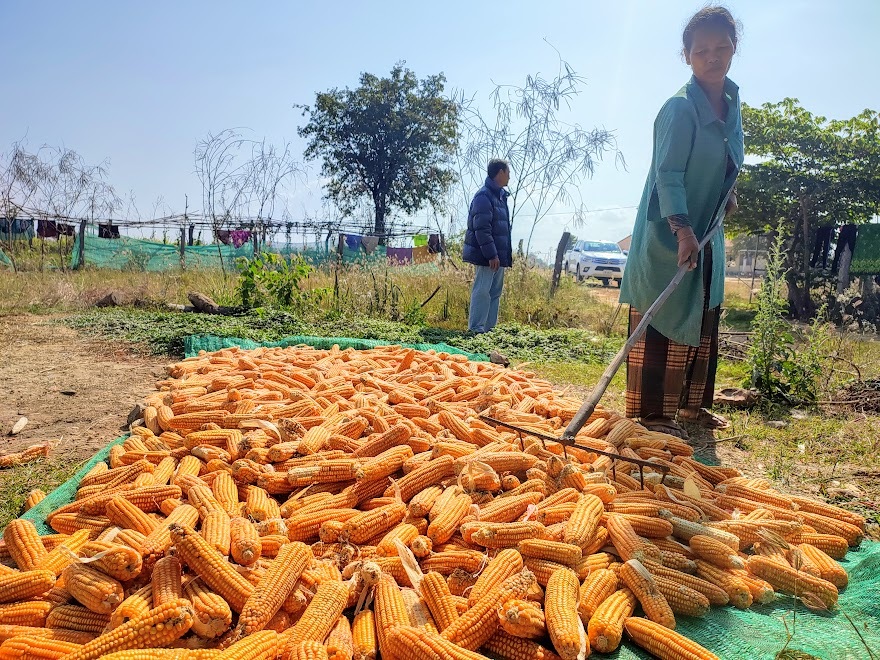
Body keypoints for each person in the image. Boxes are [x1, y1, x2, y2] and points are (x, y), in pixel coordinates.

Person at [619, 6, 744, 439]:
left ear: (734, 49)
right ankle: (654, 412)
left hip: (707, 230)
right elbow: (667, 174)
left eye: (721, 48)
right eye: (702, 50)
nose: (713, 57)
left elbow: (729, 163)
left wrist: (728, 195)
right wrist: (683, 230)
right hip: (670, 230)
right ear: (687, 56)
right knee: (666, 311)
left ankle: (692, 407)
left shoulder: (732, 103)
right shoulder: (678, 108)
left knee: (704, 308)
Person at [463, 159, 513, 333]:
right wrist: (491, 254)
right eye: (508, 172)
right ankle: (476, 328)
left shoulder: (499, 196)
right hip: (487, 256)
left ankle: (489, 330)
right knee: (482, 290)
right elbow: (482, 228)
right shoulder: (483, 196)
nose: (509, 176)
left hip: (498, 255)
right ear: (500, 173)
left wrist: (500, 255)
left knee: (495, 292)